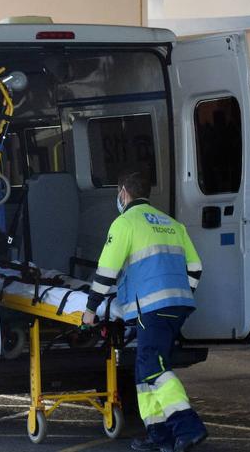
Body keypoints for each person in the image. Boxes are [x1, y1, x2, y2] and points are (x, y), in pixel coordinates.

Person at [82, 172, 207, 452]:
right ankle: (158, 434)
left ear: (123, 193)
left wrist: (90, 310)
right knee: (143, 370)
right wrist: (179, 293)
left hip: (151, 308)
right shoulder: (172, 224)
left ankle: (188, 427)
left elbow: (107, 272)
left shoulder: (125, 223)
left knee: (153, 366)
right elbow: (196, 267)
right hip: (178, 306)